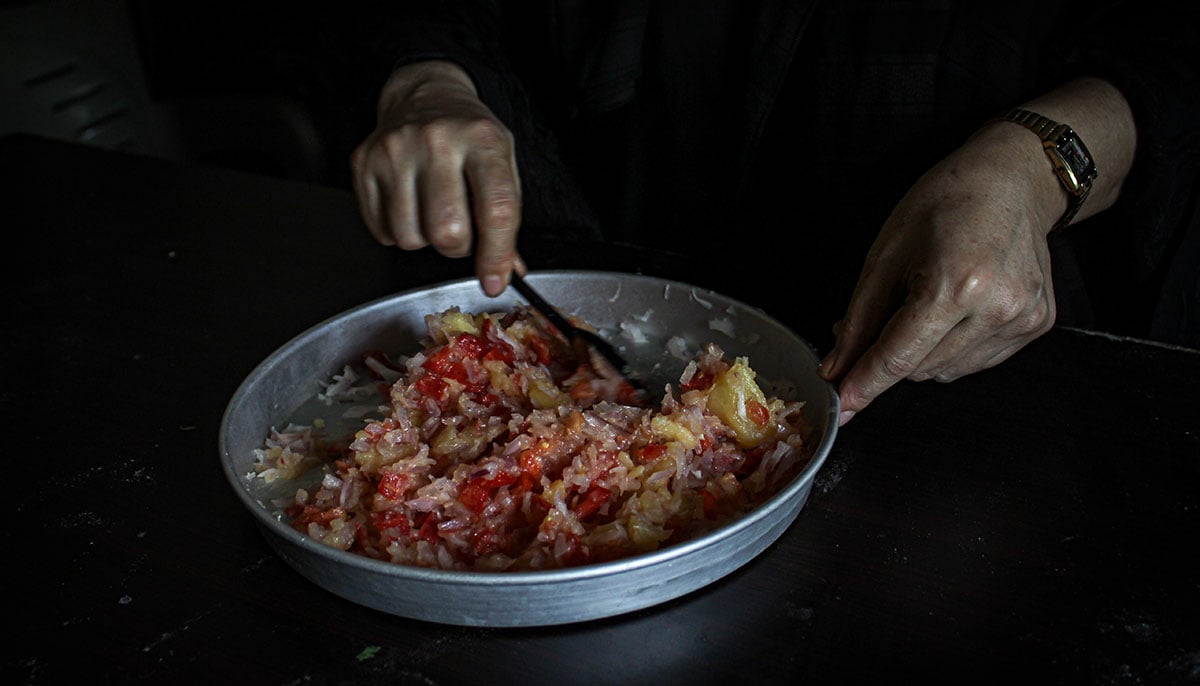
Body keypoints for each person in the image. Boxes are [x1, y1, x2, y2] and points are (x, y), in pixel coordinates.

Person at [349, 1, 1199, 426]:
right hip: (607, 235)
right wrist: (429, 74)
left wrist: (1043, 160)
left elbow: (1170, 50)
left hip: (972, 347)